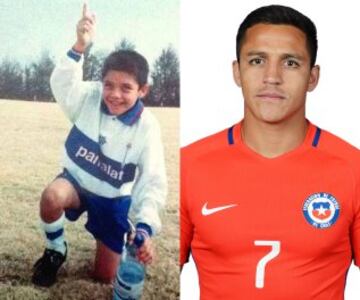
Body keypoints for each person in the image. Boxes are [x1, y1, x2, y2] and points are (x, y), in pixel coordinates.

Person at [180, 4, 360, 299]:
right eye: (257, 61)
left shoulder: (353, 168)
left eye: (290, 63)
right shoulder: (190, 165)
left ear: (312, 77)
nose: (272, 77)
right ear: (237, 72)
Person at [32, 3, 167, 287]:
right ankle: (56, 250)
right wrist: (80, 46)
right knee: (51, 197)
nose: (114, 94)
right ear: (101, 83)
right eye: (109, 85)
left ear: (143, 90)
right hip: (77, 183)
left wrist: (144, 227)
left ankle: (107, 246)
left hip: (112, 199)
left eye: (126, 88)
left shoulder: (147, 126)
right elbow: (62, 84)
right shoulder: (91, 97)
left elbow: (153, 182)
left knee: (105, 277)